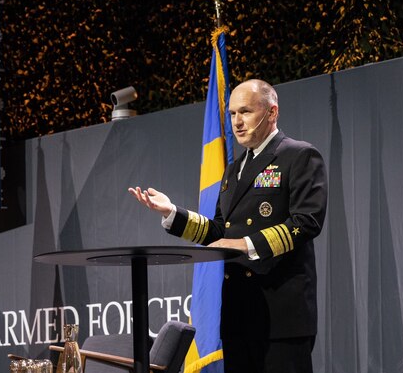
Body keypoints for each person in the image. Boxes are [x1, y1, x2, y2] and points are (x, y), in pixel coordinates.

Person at [129, 79, 327, 373]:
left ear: (272, 112)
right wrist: (173, 213)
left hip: (281, 315)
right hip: (238, 314)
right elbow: (222, 231)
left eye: (245, 112)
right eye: (232, 114)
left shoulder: (298, 155)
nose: (237, 122)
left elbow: (306, 222)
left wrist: (243, 245)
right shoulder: (233, 170)